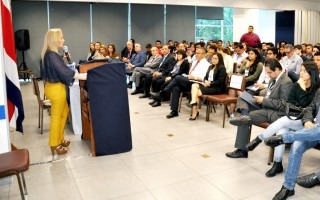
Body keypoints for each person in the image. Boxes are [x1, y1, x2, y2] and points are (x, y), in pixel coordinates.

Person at [245, 62, 319, 177]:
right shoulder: (297, 85)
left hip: (308, 122)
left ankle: (259, 139)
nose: (301, 73)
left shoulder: (316, 88)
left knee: (284, 121)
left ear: (311, 73)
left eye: (304, 71)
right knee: (282, 130)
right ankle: (277, 163)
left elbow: (310, 108)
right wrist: (300, 97)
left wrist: (303, 92)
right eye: (301, 70)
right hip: (294, 117)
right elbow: (289, 103)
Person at [226, 59, 292, 158]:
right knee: (242, 98)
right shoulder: (273, 78)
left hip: (274, 112)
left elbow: (283, 105)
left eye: (269, 72)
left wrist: (263, 100)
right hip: (266, 106)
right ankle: (244, 116)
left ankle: (242, 147)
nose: (268, 75)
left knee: (244, 118)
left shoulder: (286, 82)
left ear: (277, 69)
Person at [264, 88, 320, 200]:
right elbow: (310, 108)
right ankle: (288, 187)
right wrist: (308, 120)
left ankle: (284, 138)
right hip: (313, 131)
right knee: (297, 145)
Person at [40, 28, 87, 156]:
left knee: (64, 111)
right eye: (61, 37)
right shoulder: (51, 55)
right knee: (56, 116)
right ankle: (54, 144)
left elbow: (58, 67)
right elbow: (64, 71)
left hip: (54, 87)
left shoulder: (50, 54)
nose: (63, 39)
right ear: (54, 39)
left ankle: (59, 138)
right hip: (56, 89)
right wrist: (82, 76)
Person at [152, 47, 210, 118]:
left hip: (196, 84)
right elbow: (190, 73)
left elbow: (203, 79)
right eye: (196, 53)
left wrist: (194, 77)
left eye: (198, 53)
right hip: (189, 80)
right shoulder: (195, 62)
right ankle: (174, 111)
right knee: (175, 87)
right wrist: (188, 76)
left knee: (178, 77)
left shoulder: (206, 64)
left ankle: (162, 93)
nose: (196, 55)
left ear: (203, 54)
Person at [189, 53, 226, 120]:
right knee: (194, 85)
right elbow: (206, 77)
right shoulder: (210, 67)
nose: (213, 60)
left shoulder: (222, 68)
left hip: (217, 88)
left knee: (197, 93)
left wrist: (210, 83)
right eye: (212, 58)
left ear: (219, 59)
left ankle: (194, 111)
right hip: (208, 85)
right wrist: (205, 82)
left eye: (215, 58)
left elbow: (220, 81)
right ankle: (194, 103)